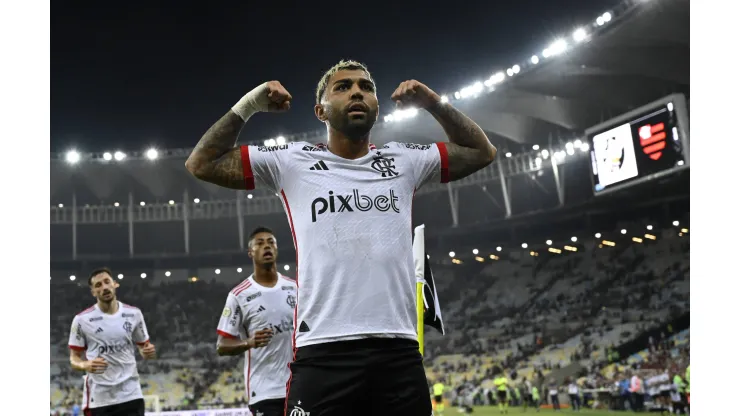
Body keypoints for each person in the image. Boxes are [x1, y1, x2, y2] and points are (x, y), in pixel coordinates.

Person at [186, 59, 496, 416]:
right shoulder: (291, 161)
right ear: (320, 111)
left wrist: (432, 103)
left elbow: (481, 152)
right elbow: (202, 163)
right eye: (343, 87)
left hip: (397, 349)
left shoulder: (405, 160)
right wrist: (250, 105)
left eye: (366, 87)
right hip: (323, 351)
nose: (357, 93)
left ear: (377, 106)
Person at [215, 226, 297, 416]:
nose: (266, 246)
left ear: (276, 250)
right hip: (264, 392)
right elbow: (222, 345)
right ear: (250, 252)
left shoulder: (294, 288)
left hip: (297, 385)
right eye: (260, 243)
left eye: (271, 243)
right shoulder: (239, 295)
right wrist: (249, 342)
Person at [68, 268, 156, 416]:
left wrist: (147, 352)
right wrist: (85, 364)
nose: (104, 287)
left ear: (115, 284)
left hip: (131, 393)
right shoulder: (81, 320)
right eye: (98, 285)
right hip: (100, 397)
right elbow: (73, 358)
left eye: (107, 282)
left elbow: (143, 348)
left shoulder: (134, 314)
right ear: (93, 292)